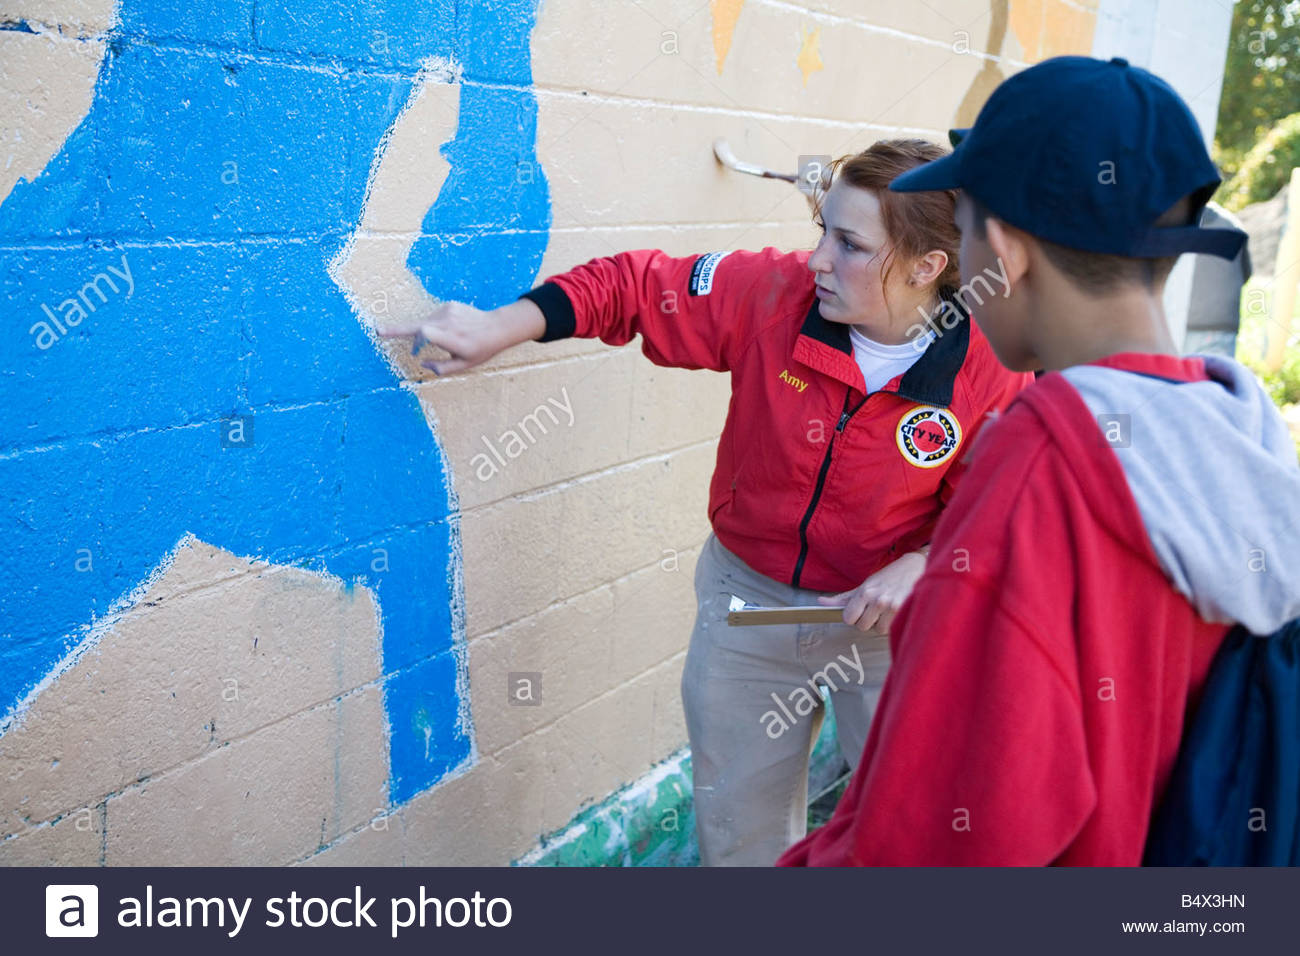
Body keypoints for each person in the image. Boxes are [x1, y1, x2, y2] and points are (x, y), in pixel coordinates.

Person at [379, 140, 1032, 866]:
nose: (817, 258)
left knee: (910, 836)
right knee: (740, 835)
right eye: (823, 230)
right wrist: (503, 325)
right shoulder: (775, 296)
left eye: (847, 244)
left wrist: (925, 560)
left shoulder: (994, 363)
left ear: (927, 266)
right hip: (748, 603)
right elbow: (633, 286)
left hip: (886, 622)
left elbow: (1003, 505)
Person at [779, 56, 1300, 867]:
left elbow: (934, 844)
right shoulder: (1241, 433)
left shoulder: (1044, 462)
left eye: (961, 236)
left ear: (1008, 254)